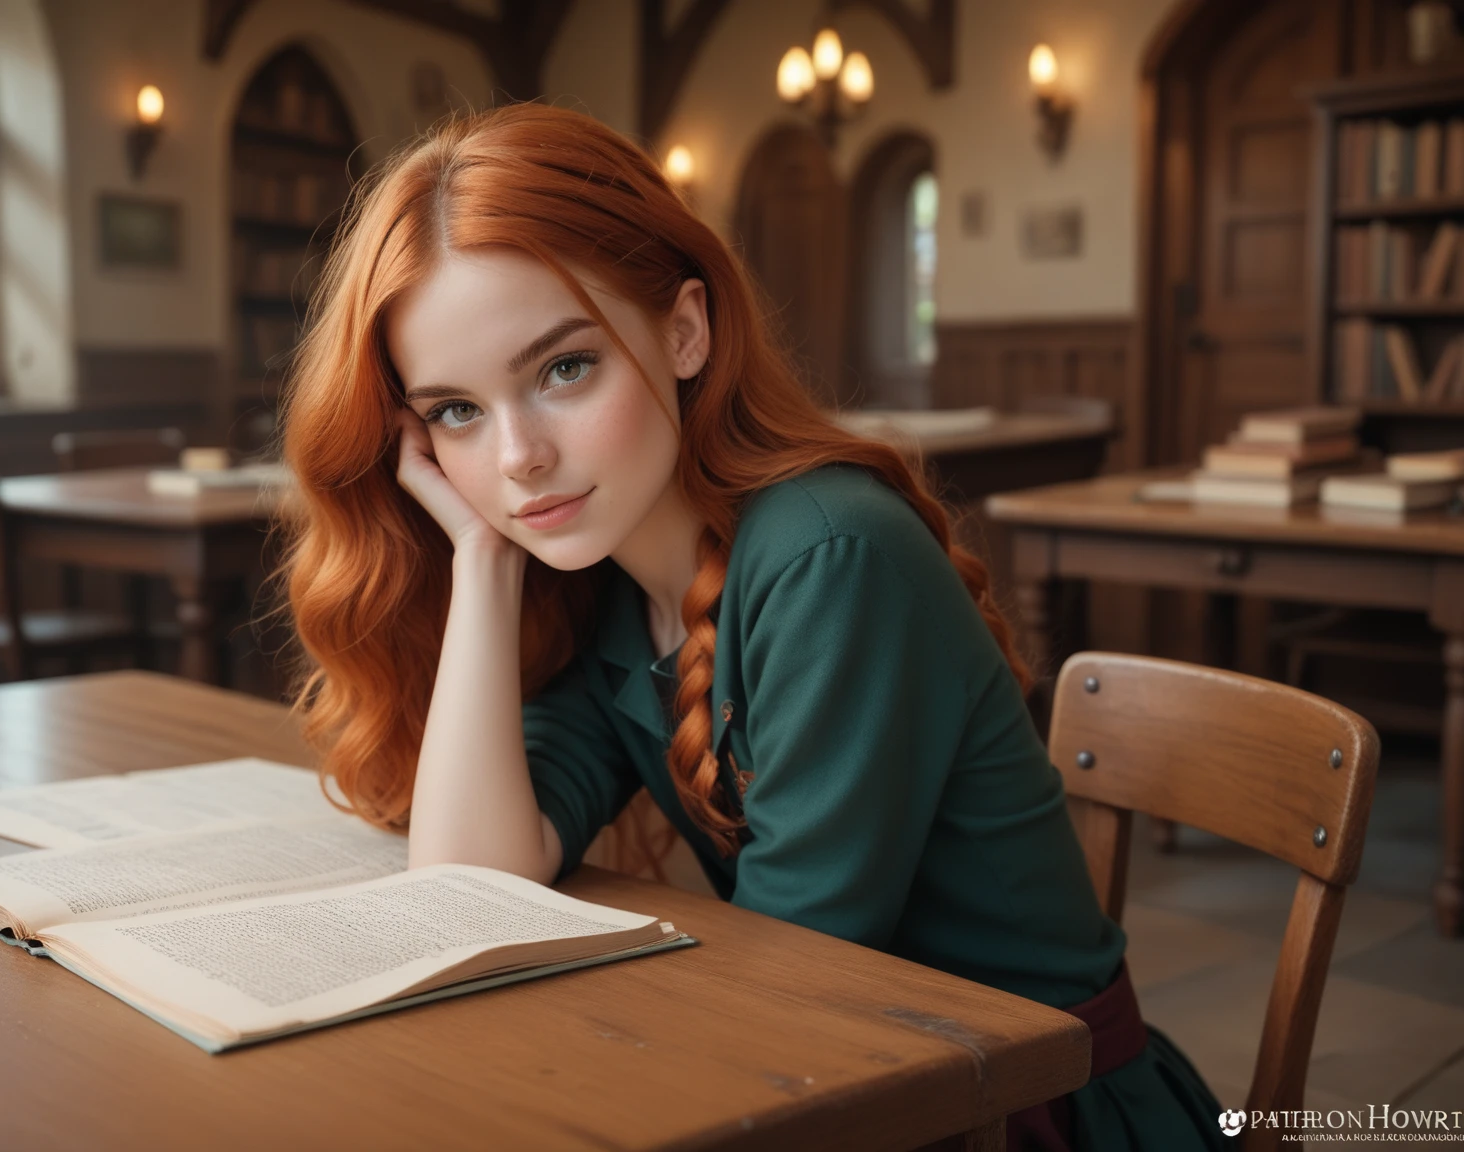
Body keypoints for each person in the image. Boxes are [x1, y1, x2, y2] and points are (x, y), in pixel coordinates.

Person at [279, 103, 1227, 1151]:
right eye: (457, 411)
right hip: (859, 1081)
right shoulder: (595, 585)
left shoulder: (829, 557)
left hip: (1024, 1113)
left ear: (685, 330)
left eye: (563, 369)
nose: (518, 459)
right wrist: (486, 554)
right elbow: (470, 888)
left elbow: (788, 977)